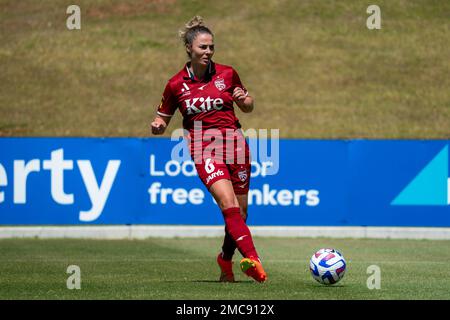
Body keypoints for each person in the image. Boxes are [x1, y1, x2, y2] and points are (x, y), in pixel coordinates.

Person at [150, 16, 267, 283]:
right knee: (228, 204)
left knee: (241, 212)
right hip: (204, 148)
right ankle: (254, 260)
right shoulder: (175, 84)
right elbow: (163, 118)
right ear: (189, 49)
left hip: (236, 145)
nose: (208, 52)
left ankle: (225, 258)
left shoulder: (227, 73)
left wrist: (245, 100)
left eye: (211, 47)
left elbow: (248, 105)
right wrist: (158, 125)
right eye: (203, 47)